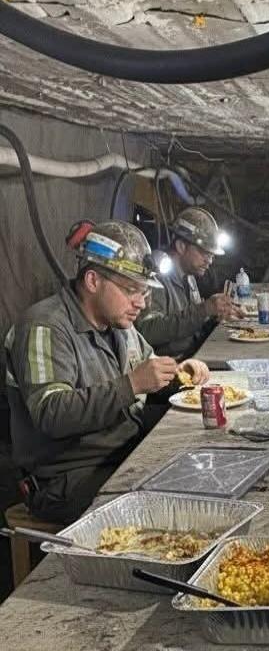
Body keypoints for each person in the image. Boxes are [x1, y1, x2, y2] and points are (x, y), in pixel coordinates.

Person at [4, 221, 209, 524]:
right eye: (130, 290)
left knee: (202, 458)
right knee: (177, 509)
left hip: (121, 450)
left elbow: (148, 375)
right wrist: (133, 383)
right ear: (92, 280)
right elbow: (52, 414)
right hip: (67, 479)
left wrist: (179, 374)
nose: (140, 303)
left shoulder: (119, 325)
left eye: (143, 292)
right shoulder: (44, 327)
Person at [137, 207, 242, 358]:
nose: (209, 260)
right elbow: (148, 331)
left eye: (211, 255)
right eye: (204, 252)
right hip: (169, 367)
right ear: (181, 246)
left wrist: (215, 316)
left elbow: (191, 328)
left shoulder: (189, 275)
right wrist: (203, 310)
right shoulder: (156, 274)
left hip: (192, 357)